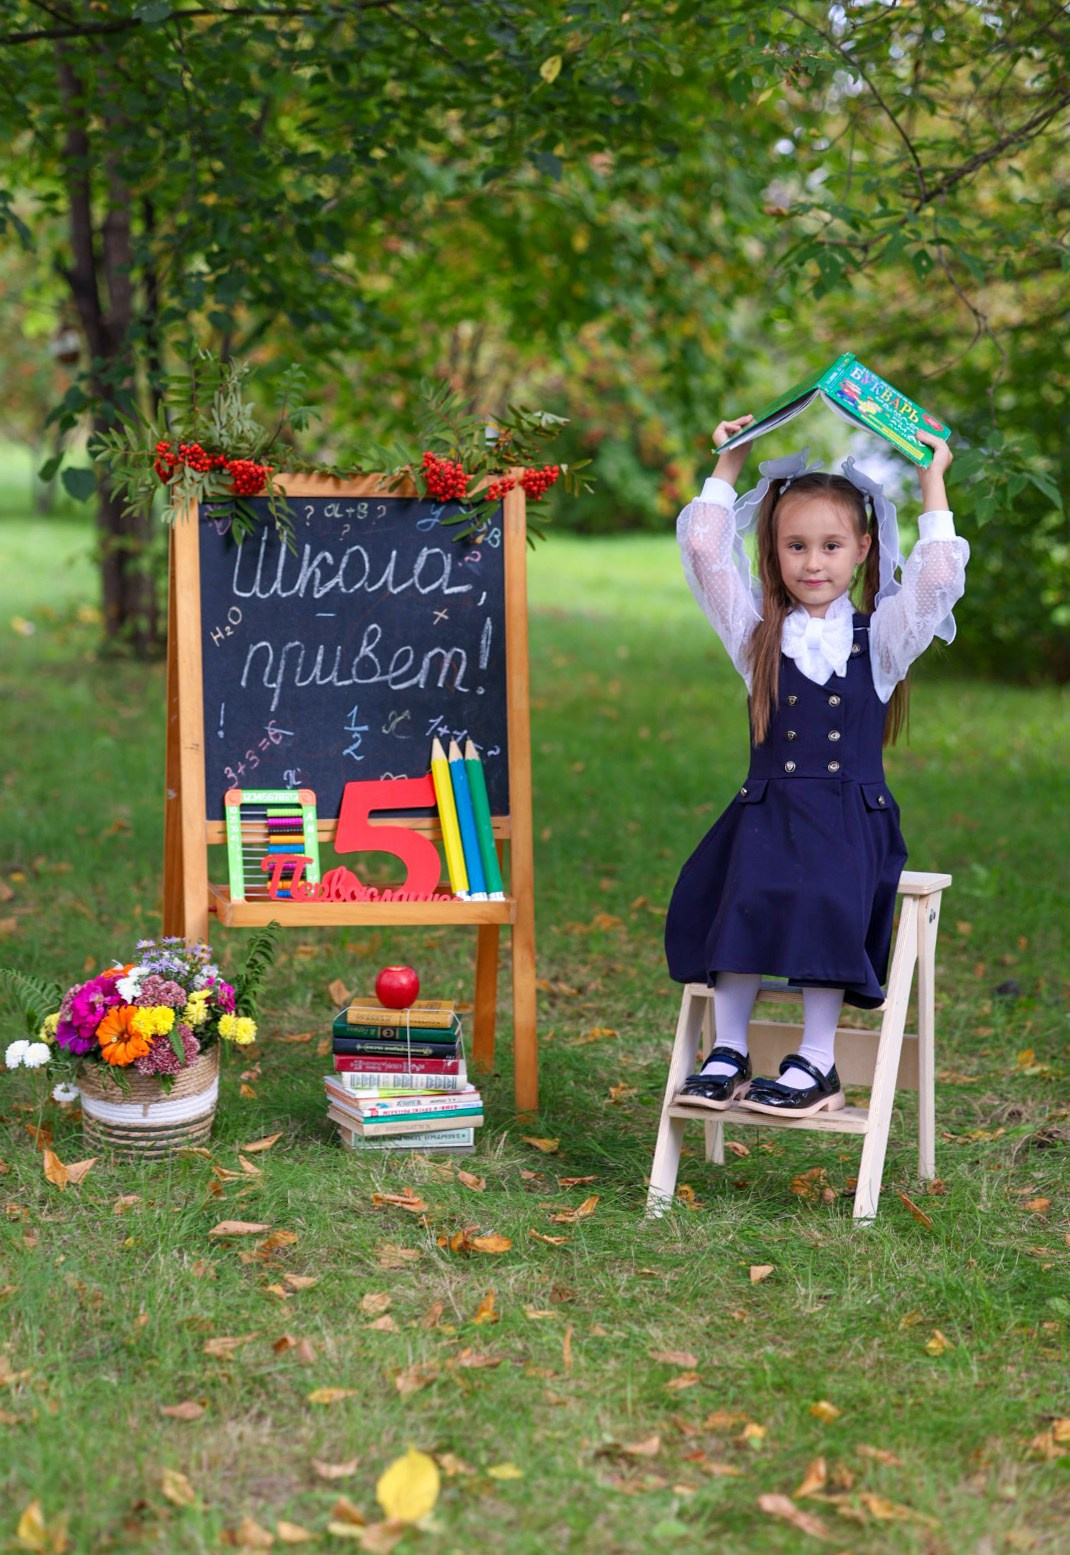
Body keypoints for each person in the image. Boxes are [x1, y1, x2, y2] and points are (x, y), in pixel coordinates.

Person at [664, 415, 968, 1116]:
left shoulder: (885, 639)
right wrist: (729, 463)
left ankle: (819, 1059)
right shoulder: (756, 635)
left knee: (827, 892)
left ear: (862, 548)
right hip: (767, 812)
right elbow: (708, 549)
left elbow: (939, 574)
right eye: (795, 545)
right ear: (773, 549)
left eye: (831, 546)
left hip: (847, 822)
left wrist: (932, 480)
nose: (812, 562)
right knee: (742, 887)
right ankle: (730, 1049)